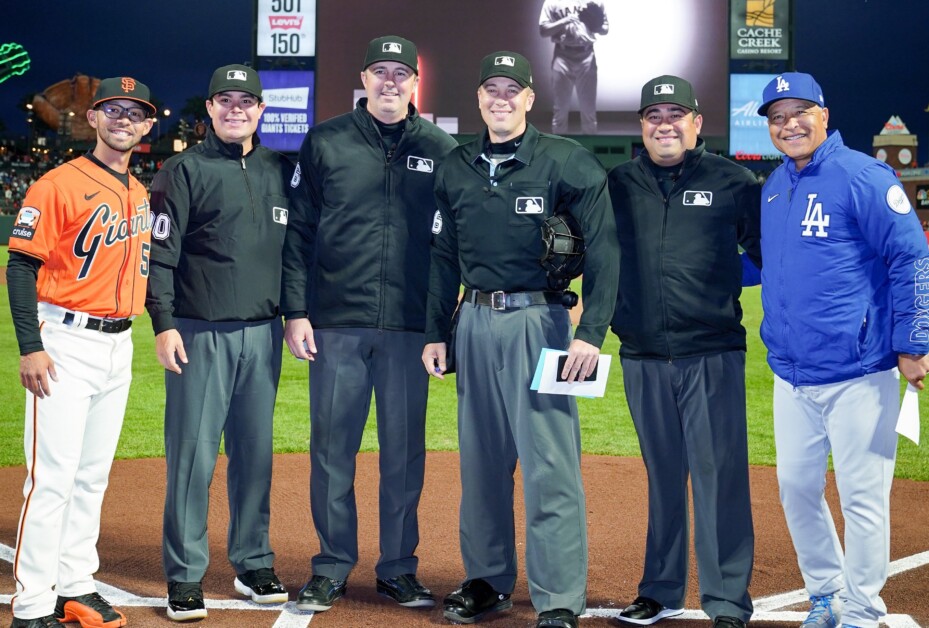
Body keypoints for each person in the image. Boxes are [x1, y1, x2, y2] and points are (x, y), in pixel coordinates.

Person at [422, 51, 619, 628]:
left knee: (549, 464)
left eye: (513, 89)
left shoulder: (566, 161)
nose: (501, 98)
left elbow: (605, 249)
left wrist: (591, 333)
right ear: (479, 98)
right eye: (492, 89)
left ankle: (558, 596)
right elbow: (441, 257)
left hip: (544, 325)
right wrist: (437, 331)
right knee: (481, 462)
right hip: (475, 320)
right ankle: (487, 580)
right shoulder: (456, 166)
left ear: (531, 98)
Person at [280, 35, 458, 613]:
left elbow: (448, 248)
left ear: (414, 83)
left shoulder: (440, 146)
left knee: (404, 453)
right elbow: (298, 233)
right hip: (337, 323)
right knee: (332, 449)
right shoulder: (326, 140)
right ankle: (332, 565)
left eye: (399, 72)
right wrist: (297, 311)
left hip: (408, 327)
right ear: (364, 78)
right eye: (379, 71)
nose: (389, 81)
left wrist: (439, 327)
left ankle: (398, 568)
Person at [756, 72, 929, 628]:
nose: (790, 124)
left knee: (862, 497)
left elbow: (911, 258)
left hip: (861, 371)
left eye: (800, 112)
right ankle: (827, 592)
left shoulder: (864, 176)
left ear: (824, 115)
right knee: (797, 489)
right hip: (791, 373)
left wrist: (913, 342)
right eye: (778, 118)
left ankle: (861, 606)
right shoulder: (775, 187)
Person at [145, 64, 303, 621]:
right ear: (209, 109)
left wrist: (295, 314)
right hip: (198, 331)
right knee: (192, 456)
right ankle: (185, 574)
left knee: (255, 455)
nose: (236, 110)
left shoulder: (280, 170)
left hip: (262, 334)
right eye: (225, 101)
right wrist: (163, 323)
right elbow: (159, 255)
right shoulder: (182, 170)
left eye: (247, 102)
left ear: (261, 111)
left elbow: (292, 255)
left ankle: (252, 560)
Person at [608, 75, 760, 628]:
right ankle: (660, 589)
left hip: (712, 353)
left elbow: (773, 255)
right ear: (642, 127)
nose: (665, 124)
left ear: (697, 123)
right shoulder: (618, 184)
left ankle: (725, 602)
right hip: (643, 355)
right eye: (654, 115)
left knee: (720, 478)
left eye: (677, 114)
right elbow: (586, 255)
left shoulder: (734, 180)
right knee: (662, 474)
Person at [7, 77, 155, 628]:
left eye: (134, 113)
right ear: (92, 119)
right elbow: (21, 265)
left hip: (119, 344)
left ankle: (75, 583)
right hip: (64, 342)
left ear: (146, 126)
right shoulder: (57, 183)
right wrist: (31, 346)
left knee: (92, 477)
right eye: (112, 110)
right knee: (51, 478)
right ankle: (30, 606)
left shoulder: (137, 192)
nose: (123, 119)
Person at [539, 0, 609, 134]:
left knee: (589, 111)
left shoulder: (594, 2)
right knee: (560, 110)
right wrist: (565, 21)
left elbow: (605, 29)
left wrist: (593, 23)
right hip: (562, 56)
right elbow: (543, 30)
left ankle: (588, 152)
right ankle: (559, 152)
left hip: (587, 55)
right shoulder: (552, 2)